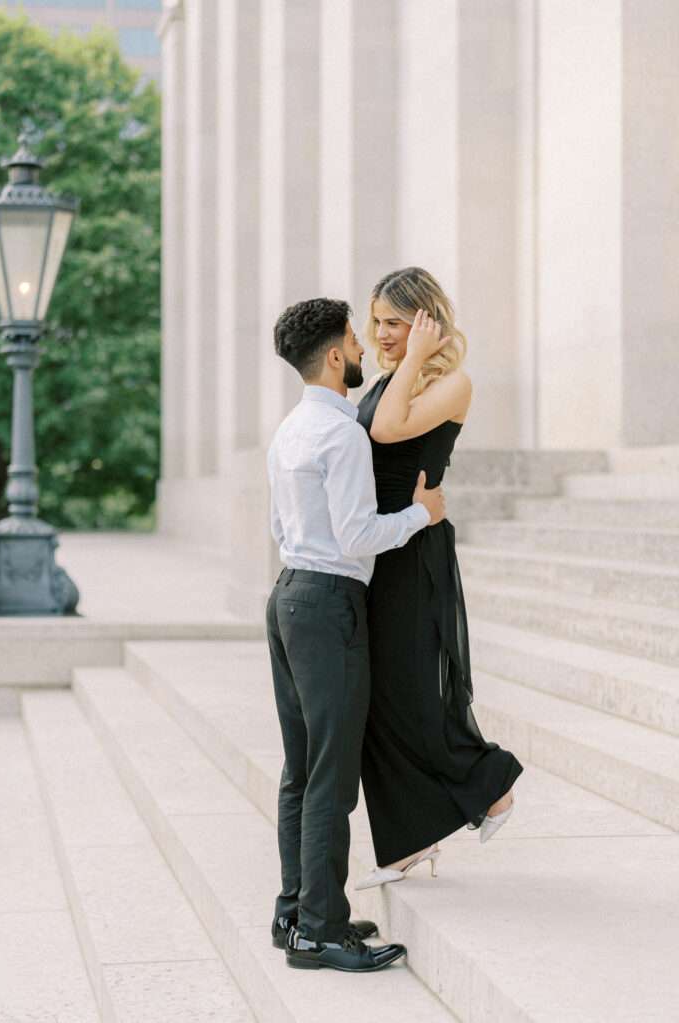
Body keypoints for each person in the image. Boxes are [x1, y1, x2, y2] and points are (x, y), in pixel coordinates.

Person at [265, 297, 446, 972]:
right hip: (328, 601)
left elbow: (279, 530)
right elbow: (357, 534)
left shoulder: (290, 430)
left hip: (287, 596)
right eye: (354, 336)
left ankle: (297, 911)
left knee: (301, 770)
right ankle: (320, 930)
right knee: (332, 777)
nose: (365, 346)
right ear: (336, 355)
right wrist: (420, 515)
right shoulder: (340, 434)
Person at [354, 266, 524, 892]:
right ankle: (408, 838)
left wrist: (415, 359)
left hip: (414, 551)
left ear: (427, 321)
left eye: (395, 322)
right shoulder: (385, 379)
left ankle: (492, 781)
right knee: (380, 698)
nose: (383, 334)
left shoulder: (453, 383)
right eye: (376, 322)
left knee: (414, 691)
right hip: (382, 548)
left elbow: (386, 430)